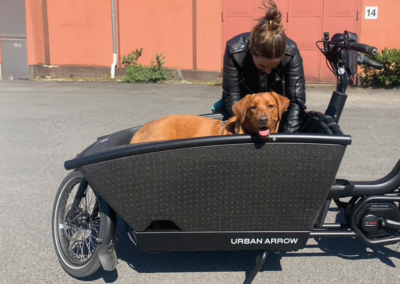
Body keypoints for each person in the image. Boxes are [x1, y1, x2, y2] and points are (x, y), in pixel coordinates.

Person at [214, 0, 306, 133]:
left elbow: (296, 102)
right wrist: (243, 134)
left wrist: (287, 142)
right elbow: (233, 97)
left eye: (274, 66)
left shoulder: (291, 52)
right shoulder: (234, 50)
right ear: (251, 51)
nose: (268, 71)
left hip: (274, 109)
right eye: (262, 65)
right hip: (243, 110)